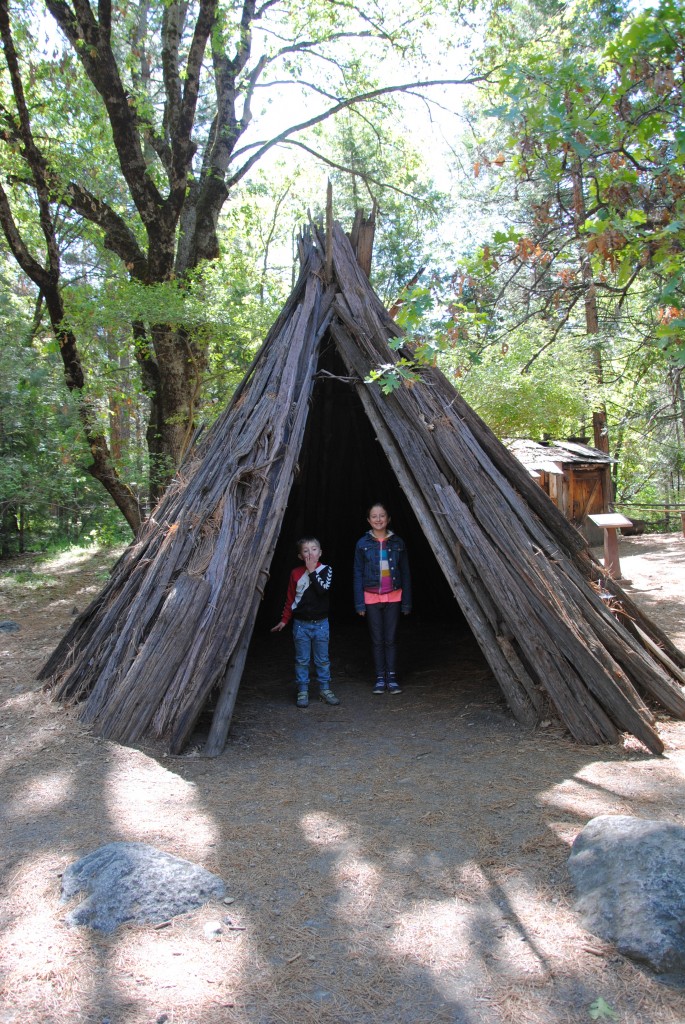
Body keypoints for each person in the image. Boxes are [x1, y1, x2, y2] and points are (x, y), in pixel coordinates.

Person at [271, 537, 340, 708]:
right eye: (306, 550)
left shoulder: (326, 570)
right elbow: (290, 598)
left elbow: (322, 590)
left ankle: (325, 688)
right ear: (300, 556)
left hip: (321, 624)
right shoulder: (295, 573)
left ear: (320, 552)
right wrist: (284, 620)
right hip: (301, 625)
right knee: (302, 660)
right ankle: (303, 690)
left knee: (322, 659)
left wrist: (312, 571)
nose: (310, 553)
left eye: (314, 549)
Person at [353, 503, 411, 694]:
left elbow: (405, 572)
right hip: (371, 598)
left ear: (388, 519)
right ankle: (380, 677)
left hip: (394, 596)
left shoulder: (398, 543)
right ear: (369, 520)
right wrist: (359, 602)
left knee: (391, 639)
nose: (378, 519)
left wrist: (406, 601)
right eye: (374, 516)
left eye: (382, 516)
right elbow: (358, 573)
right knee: (377, 639)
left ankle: (392, 677)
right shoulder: (362, 544)